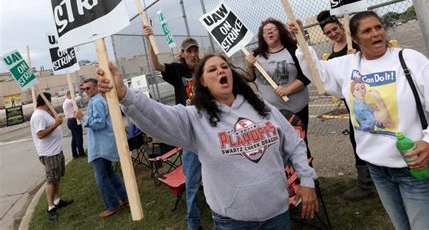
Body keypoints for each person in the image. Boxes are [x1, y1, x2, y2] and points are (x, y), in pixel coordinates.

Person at [290, 11, 429, 230]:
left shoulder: (409, 59)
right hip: (378, 170)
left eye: (378, 27)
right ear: (355, 38)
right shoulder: (347, 65)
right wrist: (300, 41)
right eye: (367, 30)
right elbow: (318, 73)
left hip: (415, 169)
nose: (376, 33)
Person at [97, 54, 318, 229]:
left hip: (277, 215)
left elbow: (294, 143)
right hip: (233, 222)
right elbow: (158, 116)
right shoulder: (195, 117)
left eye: (224, 66)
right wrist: (124, 93)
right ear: (202, 81)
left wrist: (307, 181)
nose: (221, 70)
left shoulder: (262, 107)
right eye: (212, 69)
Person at [143, 25, 202, 230]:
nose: (193, 54)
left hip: (209, 129)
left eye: (195, 50)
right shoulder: (178, 71)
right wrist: (150, 40)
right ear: (183, 54)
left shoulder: (205, 69)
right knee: (192, 181)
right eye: (189, 51)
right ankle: (193, 223)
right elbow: (156, 64)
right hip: (189, 134)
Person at [317, 10, 376, 201]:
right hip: (351, 104)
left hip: (369, 100)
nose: (333, 34)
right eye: (328, 33)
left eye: (335, 29)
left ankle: (376, 180)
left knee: (375, 135)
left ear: (342, 26)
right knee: (356, 139)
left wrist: (358, 56)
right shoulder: (332, 53)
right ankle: (367, 182)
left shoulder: (356, 43)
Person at [244, 18, 311, 154]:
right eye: (265, 31)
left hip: (296, 109)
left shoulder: (293, 50)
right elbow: (249, 77)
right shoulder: (257, 54)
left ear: (280, 32)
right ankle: (286, 175)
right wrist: (249, 65)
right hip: (271, 111)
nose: (269, 32)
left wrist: (288, 89)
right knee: (277, 146)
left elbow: (306, 75)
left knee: (300, 143)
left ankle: (306, 174)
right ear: (262, 36)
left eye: (273, 29)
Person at [75, 78, 128, 219]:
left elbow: (99, 123)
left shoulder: (98, 101)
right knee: (109, 173)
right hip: (102, 144)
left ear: (96, 88)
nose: (86, 91)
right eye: (84, 89)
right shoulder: (95, 101)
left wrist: (83, 118)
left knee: (101, 177)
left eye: (88, 88)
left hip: (101, 146)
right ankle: (124, 197)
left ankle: (113, 205)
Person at [30, 92, 73, 222]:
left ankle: (57, 200)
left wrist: (55, 121)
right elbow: (40, 134)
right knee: (51, 180)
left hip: (55, 151)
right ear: (46, 101)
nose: (51, 103)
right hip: (49, 154)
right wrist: (56, 124)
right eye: (50, 101)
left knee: (56, 178)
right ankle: (50, 207)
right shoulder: (38, 116)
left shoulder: (45, 113)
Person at [62, 91, 86, 159]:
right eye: (72, 95)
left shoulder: (68, 102)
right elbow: (79, 98)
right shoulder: (67, 102)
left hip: (72, 121)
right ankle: (81, 153)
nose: (74, 96)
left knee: (75, 138)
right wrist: (75, 96)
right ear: (68, 95)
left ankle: (75, 154)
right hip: (73, 121)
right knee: (78, 137)